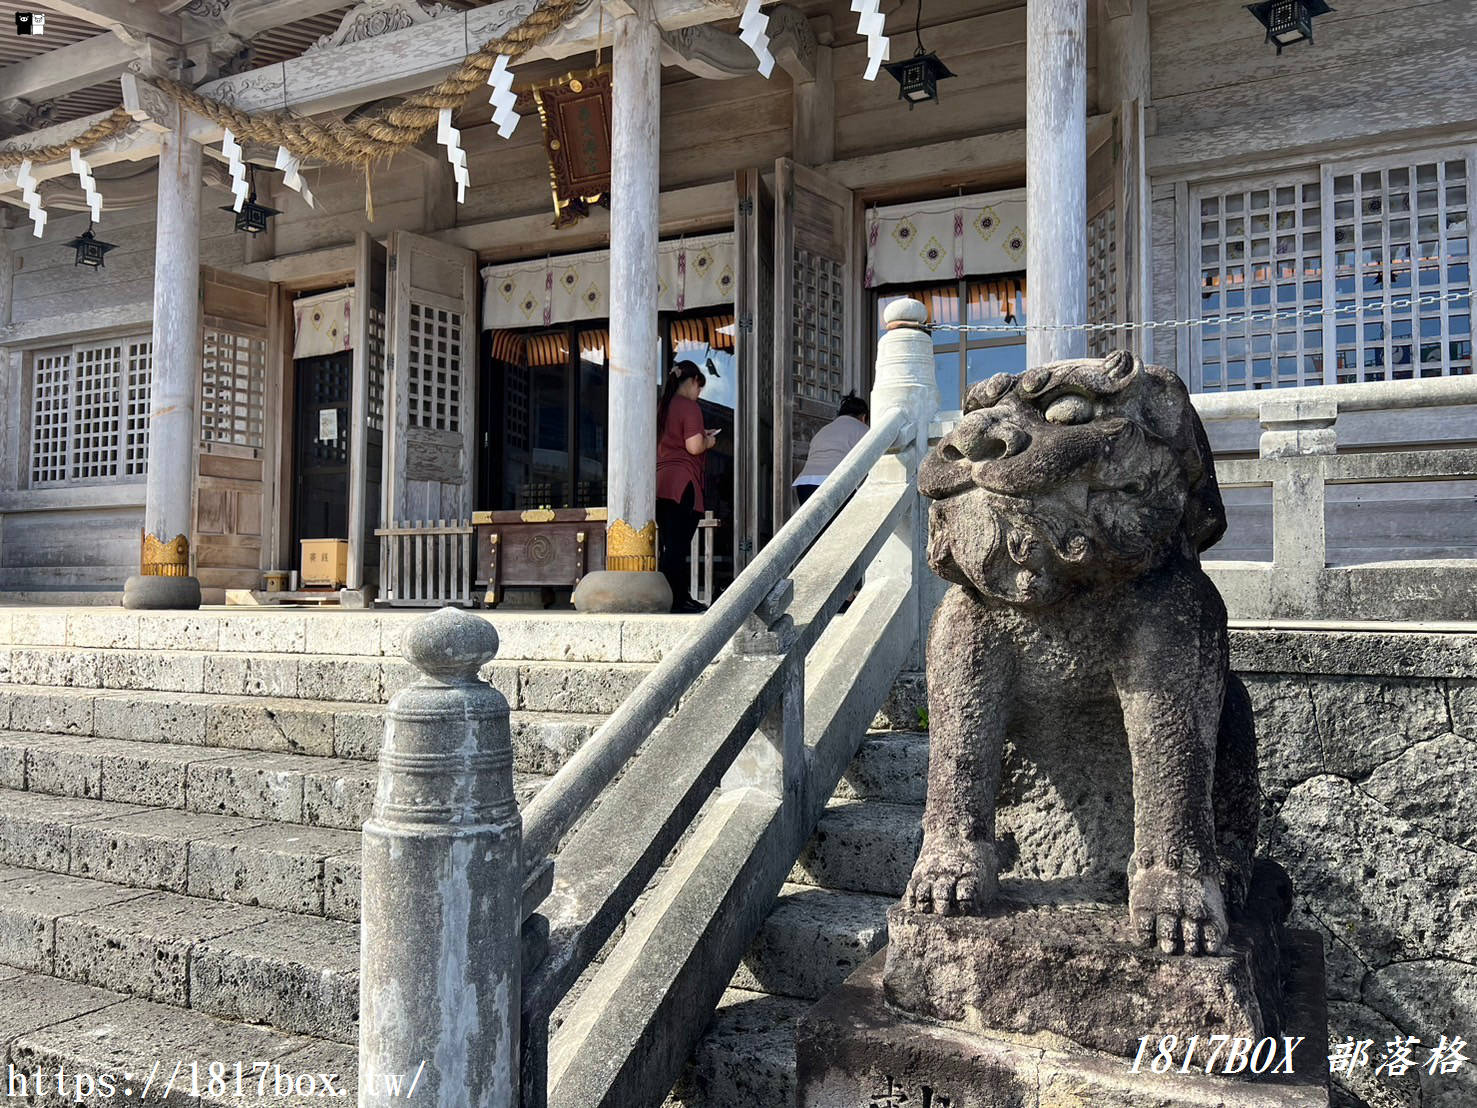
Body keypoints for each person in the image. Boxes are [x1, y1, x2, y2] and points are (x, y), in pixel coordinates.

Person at [656, 361, 718, 613]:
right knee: (679, 546)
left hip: (661, 482)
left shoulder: (662, 407)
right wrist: (708, 441)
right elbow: (693, 447)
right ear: (692, 381)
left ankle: (675, 597)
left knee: (668, 545)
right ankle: (678, 600)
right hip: (683, 482)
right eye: (699, 388)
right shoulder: (689, 407)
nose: (699, 393)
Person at [792, 393, 869, 507]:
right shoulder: (862, 429)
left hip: (805, 484)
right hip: (834, 484)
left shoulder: (823, 430)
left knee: (817, 524)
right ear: (863, 417)